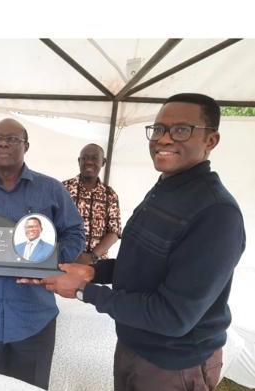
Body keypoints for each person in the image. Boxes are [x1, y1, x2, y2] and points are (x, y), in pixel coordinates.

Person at [43, 93, 246, 391]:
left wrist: (86, 291)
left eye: (181, 130)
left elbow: (173, 316)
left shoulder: (216, 213)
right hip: (135, 345)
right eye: (159, 129)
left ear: (211, 140)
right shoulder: (167, 187)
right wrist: (94, 271)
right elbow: (142, 264)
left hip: (172, 364)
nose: (164, 139)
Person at [0, 118, 85, 389]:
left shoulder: (51, 189)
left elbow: (75, 233)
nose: (3, 142)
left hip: (34, 317)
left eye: (12, 138)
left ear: (27, 145)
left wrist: (48, 259)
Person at [63, 143, 121, 264]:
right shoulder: (63, 189)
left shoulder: (110, 195)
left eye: (94, 158)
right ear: (79, 161)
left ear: (103, 162)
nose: (89, 162)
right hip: (66, 260)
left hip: (96, 265)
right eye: (84, 158)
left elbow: (114, 232)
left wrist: (92, 257)